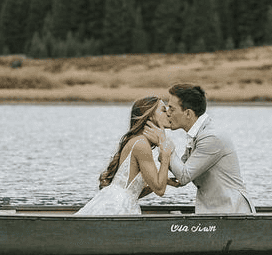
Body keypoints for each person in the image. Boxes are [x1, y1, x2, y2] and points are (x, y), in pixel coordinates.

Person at [75, 96, 175, 216]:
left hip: (117, 202)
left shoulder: (138, 141)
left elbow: (132, 192)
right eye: (163, 110)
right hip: (116, 207)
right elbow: (160, 190)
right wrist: (165, 154)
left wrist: (165, 181)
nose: (169, 114)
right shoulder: (141, 144)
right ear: (150, 116)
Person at [166, 83, 254, 214]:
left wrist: (163, 143)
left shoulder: (211, 137)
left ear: (188, 113)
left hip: (232, 212)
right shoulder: (199, 133)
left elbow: (184, 175)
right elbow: (183, 170)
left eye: (171, 109)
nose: (167, 114)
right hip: (214, 211)